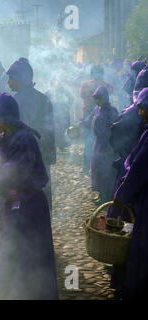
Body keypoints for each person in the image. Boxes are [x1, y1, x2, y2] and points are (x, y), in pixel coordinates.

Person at [0, 93, 58, 299]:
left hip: (30, 207)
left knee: (30, 259)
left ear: (6, 118)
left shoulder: (25, 139)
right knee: (7, 255)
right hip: (10, 206)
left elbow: (15, 172)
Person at [107, 67, 148, 297]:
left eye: (144, 109)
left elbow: (137, 172)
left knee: (135, 242)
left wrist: (120, 197)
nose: (141, 113)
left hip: (140, 199)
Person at [7, 57, 56, 212]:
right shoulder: (43, 99)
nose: (8, 82)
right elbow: (49, 132)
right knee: (38, 194)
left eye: (11, 78)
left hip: (18, 157)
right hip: (39, 156)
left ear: (20, 79)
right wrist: (49, 157)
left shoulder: (11, 101)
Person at [81, 86, 118, 203]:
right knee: (97, 169)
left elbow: (115, 129)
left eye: (99, 98)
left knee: (107, 170)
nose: (97, 101)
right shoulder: (96, 109)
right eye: (95, 98)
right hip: (98, 144)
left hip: (108, 145)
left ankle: (108, 196)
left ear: (105, 98)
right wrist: (81, 123)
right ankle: (101, 195)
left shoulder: (112, 111)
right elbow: (88, 121)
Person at [80, 65, 113, 175]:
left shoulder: (86, 85)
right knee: (95, 142)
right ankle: (94, 167)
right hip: (92, 114)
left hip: (91, 114)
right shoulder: (106, 85)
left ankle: (88, 167)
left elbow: (82, 96)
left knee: (89, 142)